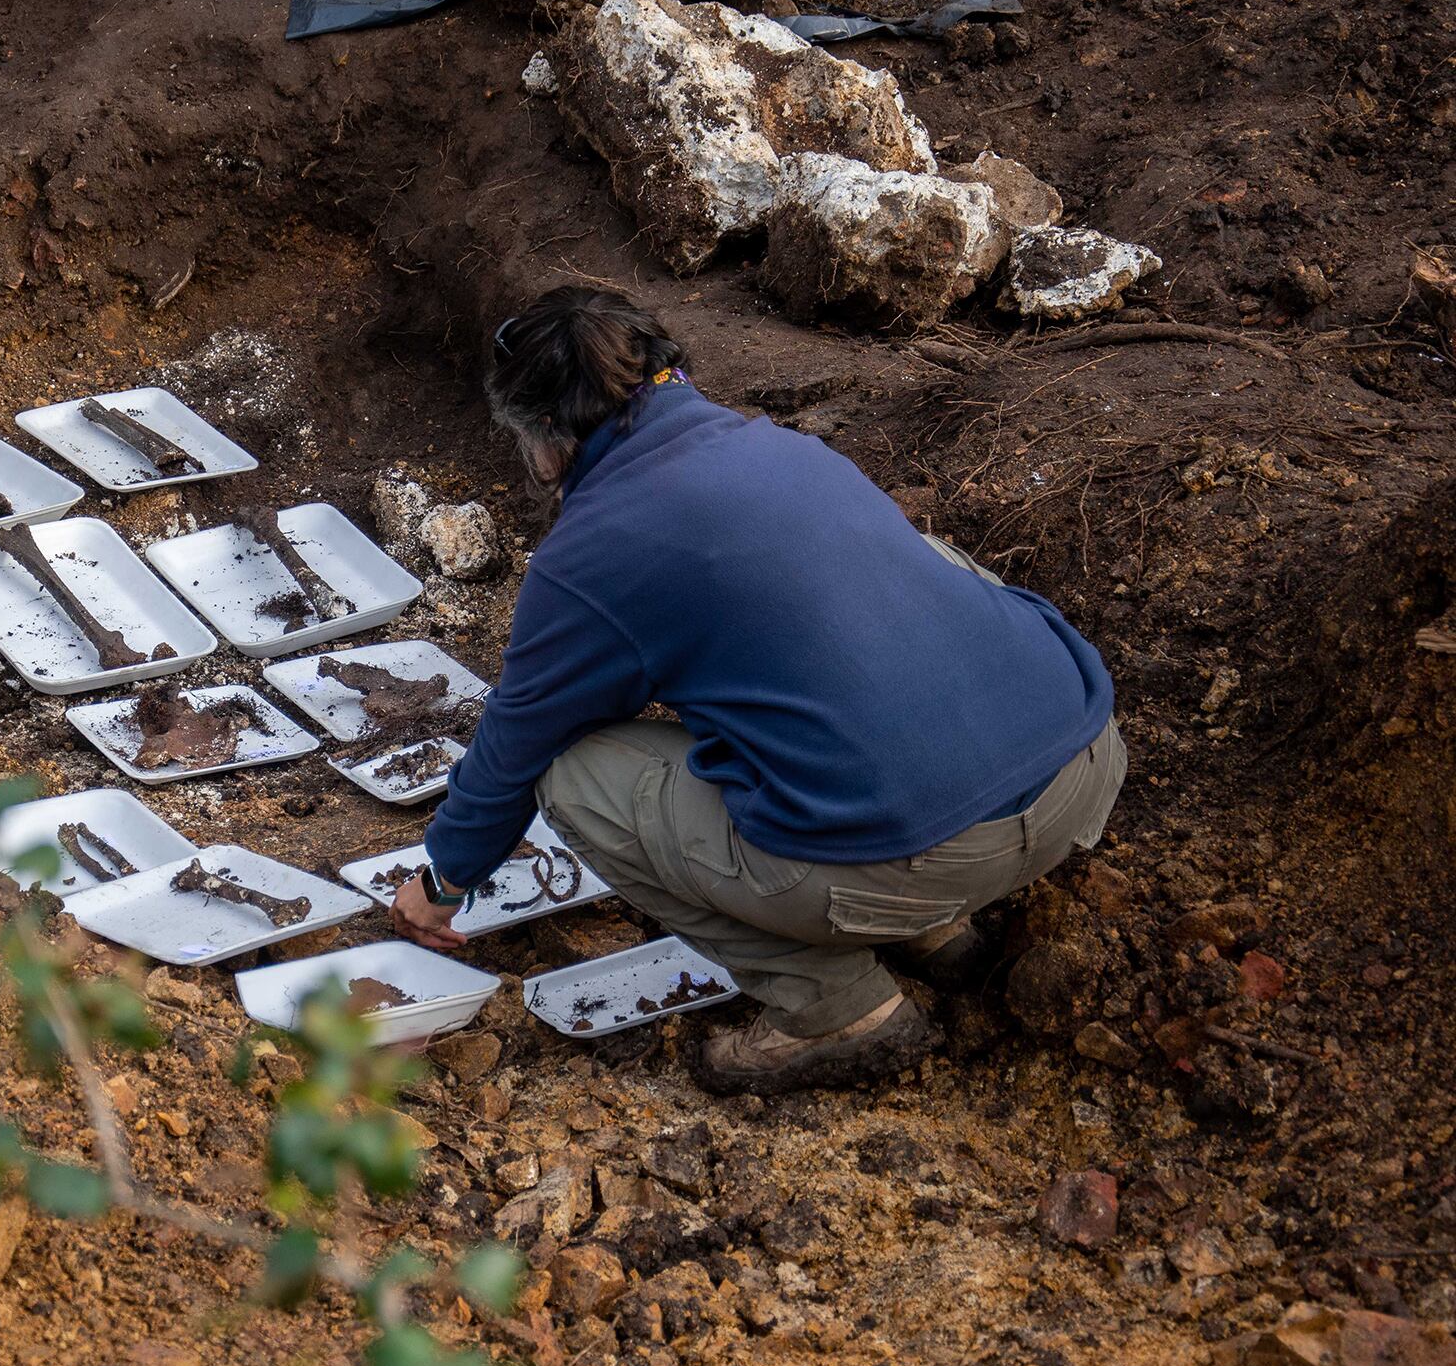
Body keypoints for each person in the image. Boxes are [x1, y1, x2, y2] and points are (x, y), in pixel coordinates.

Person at [389, 287, 1124, 1095]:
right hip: (1080, 764)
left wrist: (441, 884)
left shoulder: (592, 551)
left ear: (549, 439)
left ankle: (837, 1003)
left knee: (568, 771)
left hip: (913, 852)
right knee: (918, 561)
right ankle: (937, 930)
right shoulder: (789, 451)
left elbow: (515, 742)